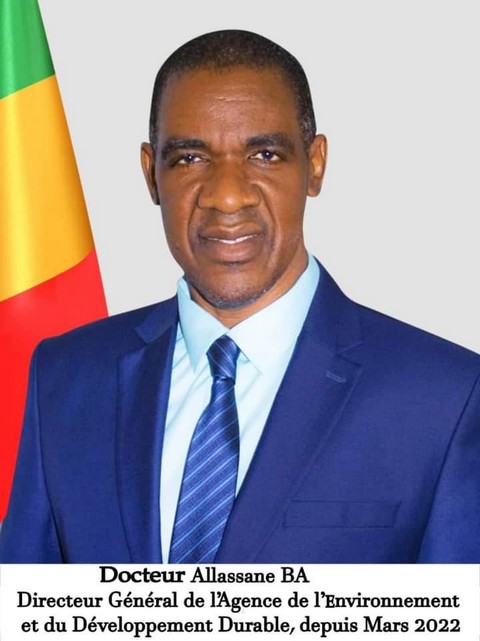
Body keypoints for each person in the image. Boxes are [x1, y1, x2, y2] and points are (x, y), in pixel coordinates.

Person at [1, 30, 479, 563]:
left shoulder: (446, 397)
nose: (227, 196)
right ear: (151, 173)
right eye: (189, 159)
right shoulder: (65, 377)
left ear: (315, 163)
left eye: (265, 154)